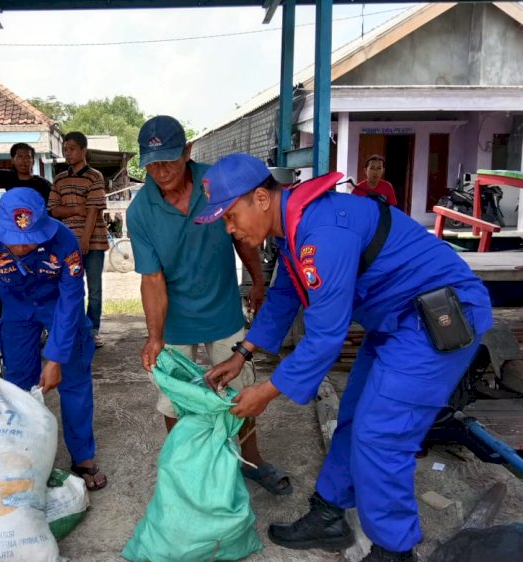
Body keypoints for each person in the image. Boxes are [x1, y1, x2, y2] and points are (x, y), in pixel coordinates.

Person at [199, 153, 493, 562]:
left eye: (230, 216)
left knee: (381, 435)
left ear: (261, 200)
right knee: (355, 415)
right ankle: (330, 514)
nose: (230, 229)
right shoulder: (293, 229)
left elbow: (325, 339)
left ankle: (394, 551)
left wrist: (265, 393)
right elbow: (285, 294)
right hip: (396, 320)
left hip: (438, 319)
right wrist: (242, 354)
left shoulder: (322, 235)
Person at [126, 116, 290, 495]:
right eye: (151, 162)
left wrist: (259, 281)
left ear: (187, 152)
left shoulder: (215, 181)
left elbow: (243, 238)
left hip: (222, 311)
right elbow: (151, 279)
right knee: (175, 397)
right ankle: (187, 466)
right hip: (175, 321)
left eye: (168, 159)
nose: (160, 171)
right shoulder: (140, 212)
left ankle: (252, 461)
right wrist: (154, 337)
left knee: (239, 389)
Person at [0, 188, 107, 491]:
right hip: (15, 305)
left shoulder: (65, 241)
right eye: (13, 240)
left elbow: (71, 300)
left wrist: (55, 358)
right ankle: (23, 454)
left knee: (74, 377)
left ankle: (82, 457)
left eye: (29, 239)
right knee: (17, 381)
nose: (21, 246)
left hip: (57, 304)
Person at [48, 132, 108, 348]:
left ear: (84, 150)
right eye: (65, 149)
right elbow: (54, 210)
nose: (67, 153)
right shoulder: (59, 179)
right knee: (70, 288)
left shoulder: (94, 177)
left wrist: (84, 240)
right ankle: (73, 328)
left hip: (93, 242)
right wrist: (75, 209)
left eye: (72, 148)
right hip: (65, 244)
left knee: (94, 289)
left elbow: (92, 210)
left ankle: (92, 330)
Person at [0, 142, 52, 209]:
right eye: (20, 157)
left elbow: (52, 206)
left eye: (27, 157)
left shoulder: (43, 183)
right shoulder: (8, 177)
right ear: (12, 160)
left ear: (33, 161)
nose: (23, 161)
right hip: (13, 222)